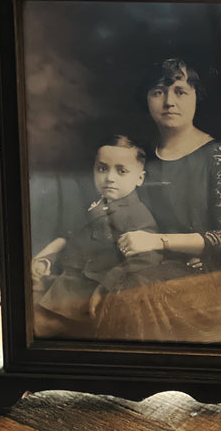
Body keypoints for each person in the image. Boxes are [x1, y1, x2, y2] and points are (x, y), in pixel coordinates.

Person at [117, 57, 221, 276]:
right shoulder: (140, 156)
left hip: (202, 275)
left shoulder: (218, 156)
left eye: (180, 92)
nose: (169, 102)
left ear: (197, 97)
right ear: (146, 99)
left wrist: (160, 242)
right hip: (141, 268)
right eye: (158, 92)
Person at [32, 135, 162, 338]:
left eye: (121, 171)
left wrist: (107, 285)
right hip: (70, 280)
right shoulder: (98, 205)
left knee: (38, 327)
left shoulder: (137, 215)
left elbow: (148, 257)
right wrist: (46, 258)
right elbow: (74, 237)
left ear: (140, 178)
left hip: (91, 290)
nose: (110, 178)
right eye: (102, 168)